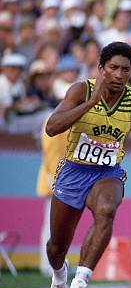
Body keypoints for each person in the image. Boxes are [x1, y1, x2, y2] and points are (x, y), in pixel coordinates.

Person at [45, 42, 131, 288]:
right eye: (114, 68)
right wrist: (91, 103)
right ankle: (60, 273)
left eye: (126, 70)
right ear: (101, 69)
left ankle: (80, 283)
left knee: (108, 209)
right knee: (56, 247)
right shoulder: (80, 90)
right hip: (74, 170)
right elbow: (52, 127)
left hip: (108, 172)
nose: (120, 75)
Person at [36, 118, 69, 276]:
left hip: (61, 179)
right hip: (57, 180)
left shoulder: (63, 116)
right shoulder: (56, 119)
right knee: (54, 225)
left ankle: (54, 263)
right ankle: (50, 265)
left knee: (58, 226)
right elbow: (52, 153)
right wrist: (57, 181)